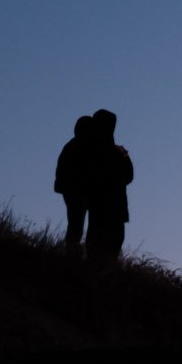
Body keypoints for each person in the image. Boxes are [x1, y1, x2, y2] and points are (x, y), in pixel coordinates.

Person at [84, 108, 134, 265]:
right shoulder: (100, 150)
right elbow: (128, 176)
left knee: (107, 241)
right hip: (106, 204)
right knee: (104, 241)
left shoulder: (99, 150)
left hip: (107, 204)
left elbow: (128, 176)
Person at [54, 115, 97, 255]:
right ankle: (72, 252)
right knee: (76, 224)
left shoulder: (73, 145)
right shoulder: (79, 147)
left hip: (74, 192)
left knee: (76, 224)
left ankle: (73, 251)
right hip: (76, 192)